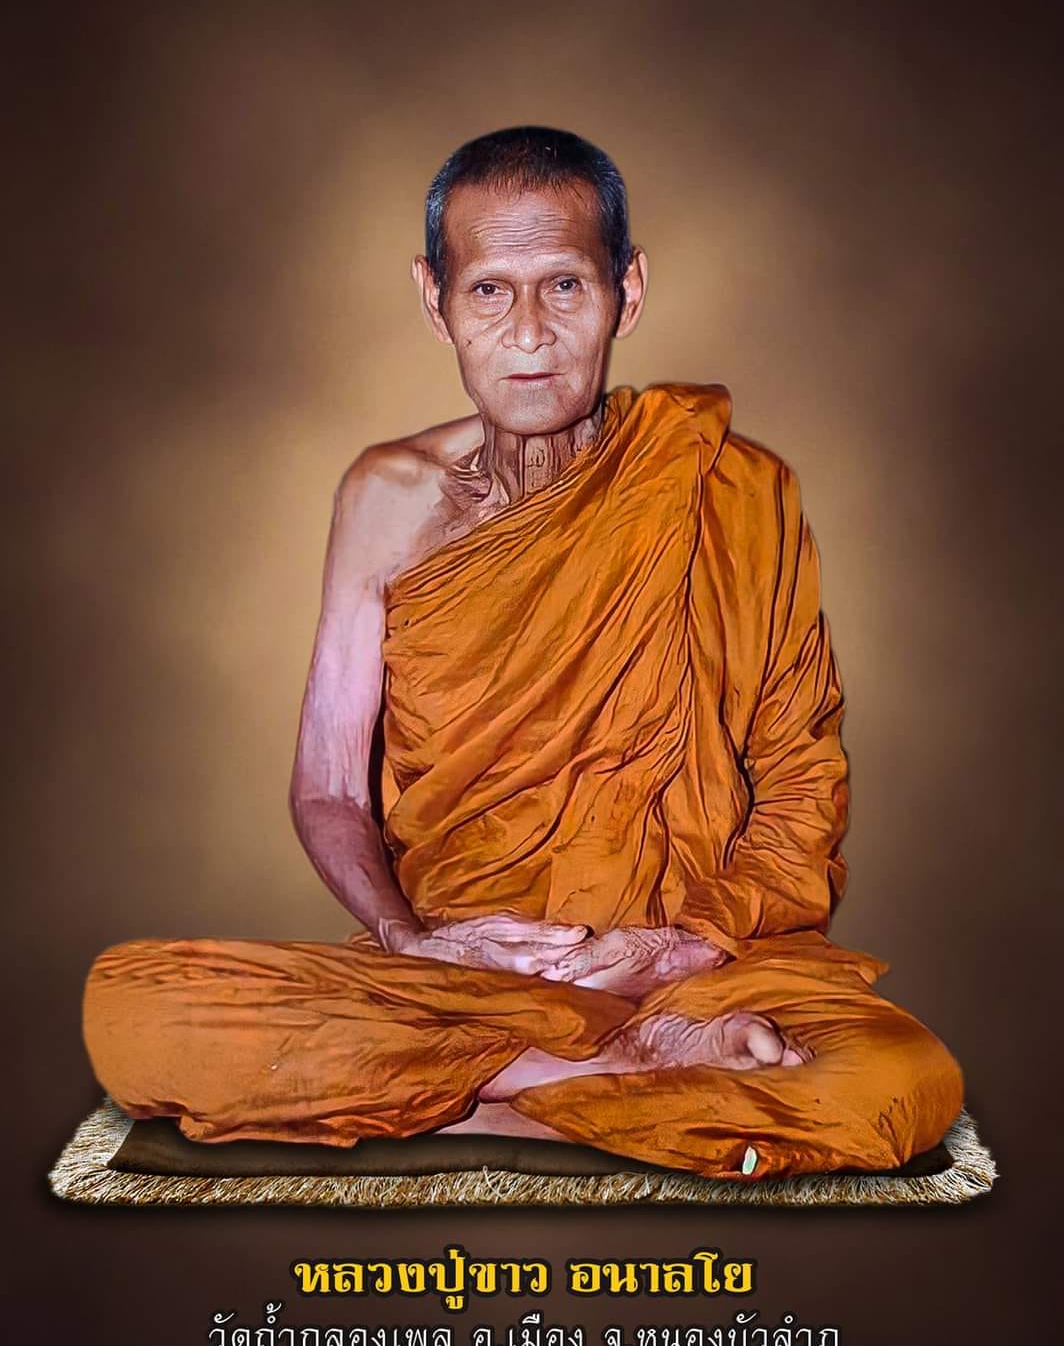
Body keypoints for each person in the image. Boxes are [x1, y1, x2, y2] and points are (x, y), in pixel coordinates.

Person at [82, 127, 964, 1179]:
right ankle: (621, 1075)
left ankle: (475, 1096)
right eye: (490, 291)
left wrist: (679, 948)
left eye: (566, 286)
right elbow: (328, 790)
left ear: (627, 292)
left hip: (691, 971)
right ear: (435, 300)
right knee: (136, 1009)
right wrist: (411, 940)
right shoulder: (385, 500)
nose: (530, 332)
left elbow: (800, 785)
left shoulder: (729, 488)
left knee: (901, 1084)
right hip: (460, 976)